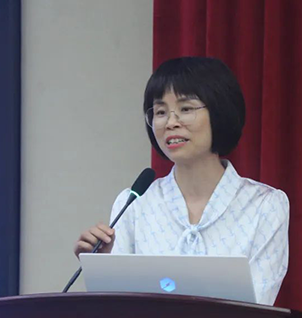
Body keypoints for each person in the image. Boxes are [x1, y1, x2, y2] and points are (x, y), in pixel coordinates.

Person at [74, 57, 289, 305]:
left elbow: (259, 306)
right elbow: (116, 311)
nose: (171, 123)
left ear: (220, 111)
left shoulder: (266, 205)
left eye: (186, 109)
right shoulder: (133, 203)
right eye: (160, 112)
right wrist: (102, 267)